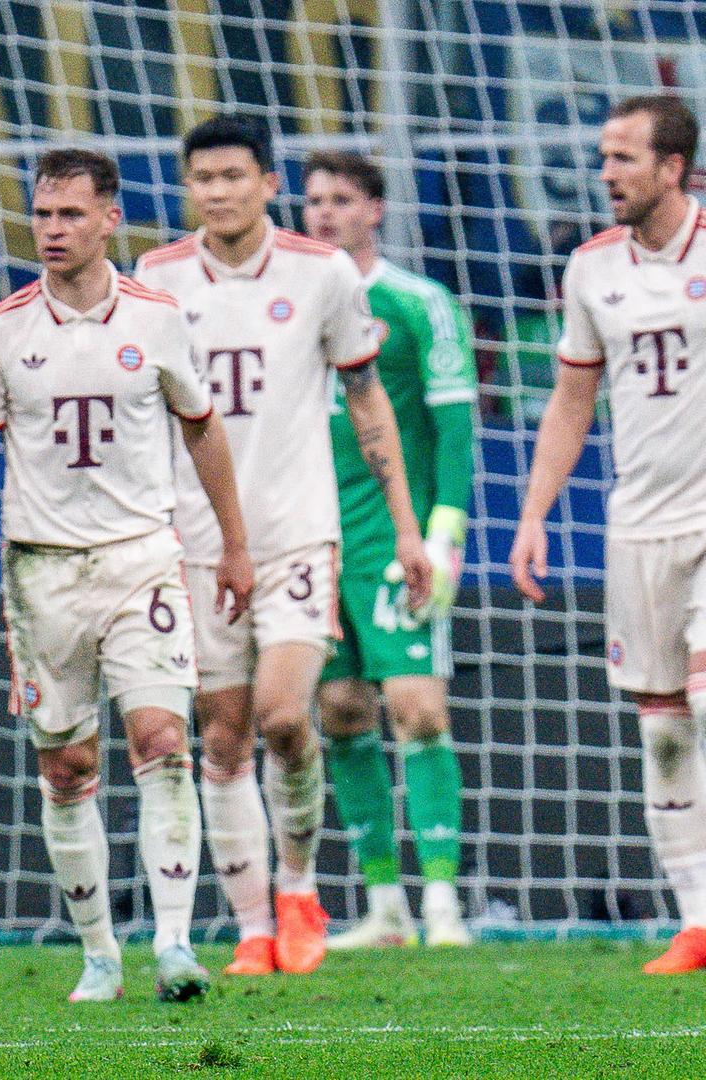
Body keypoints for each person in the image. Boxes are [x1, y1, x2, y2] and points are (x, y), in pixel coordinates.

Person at [0, 148, 253, 1004]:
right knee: (68, 767)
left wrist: (233, 545)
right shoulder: (1, 328)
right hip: (40, 573)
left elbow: (203, 429)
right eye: (42, 214)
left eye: (71, 214)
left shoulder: (157, 317)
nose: (52, 230)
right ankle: (99, 955)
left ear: (109, 219)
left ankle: (175, 945)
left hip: (141, 560)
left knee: (162, 742)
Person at [133, 116, 432, 977]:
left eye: (234, 176)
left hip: (300, 532)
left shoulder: (322, 273)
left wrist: (406, 527)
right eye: (203, 179)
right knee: (221, 739)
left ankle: (298, 888)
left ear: (268, 184)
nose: (218, 192)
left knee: (285, 718)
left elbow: (369, 400)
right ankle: (254, 927)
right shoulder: (157, 279)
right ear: (189, 188)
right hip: (193, 537)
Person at [510, 95, 706, 976]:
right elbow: (573, 399)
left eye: (623, 158)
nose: (605, 174)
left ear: (673, 168)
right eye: (602, 157)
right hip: (638, 524)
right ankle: (698, 921)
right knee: (663, 728)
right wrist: (533, 513)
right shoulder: (590, 269)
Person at [299, 151, 478, 950]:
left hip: (390, 530)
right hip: (310, 525)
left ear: (375, 209)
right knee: (338, 710)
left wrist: (442, 533)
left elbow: (454, 428)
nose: (324, 214)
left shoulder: (419, 303)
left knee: (417, 707)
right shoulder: (290, 303)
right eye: (312, 201)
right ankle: (385, 906)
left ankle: (443, 901)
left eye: (341, 199)